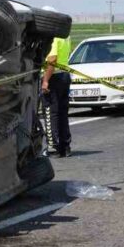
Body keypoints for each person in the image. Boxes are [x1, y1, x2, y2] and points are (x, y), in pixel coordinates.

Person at [41, 13, 73, 158]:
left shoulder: (52, 37)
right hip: (64, 76)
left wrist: (45, 80)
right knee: (62, 113)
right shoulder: (65, 36)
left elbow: (52, 59)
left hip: (53, 77)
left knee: (50, 112)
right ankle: (65, 146)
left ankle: (53, 147)